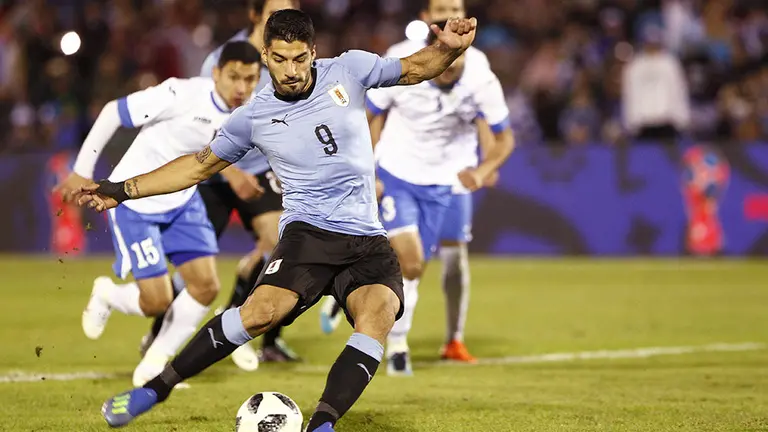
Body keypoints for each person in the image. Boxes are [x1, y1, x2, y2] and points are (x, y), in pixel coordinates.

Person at [74, 10, 478, 431]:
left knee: (378, 315)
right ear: (266, 56)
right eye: (281, 59)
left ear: (313, 53)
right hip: (308, 234)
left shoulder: (350, 70)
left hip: (366, 238)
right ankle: (155, 388)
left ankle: (321, 423)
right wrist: (121, 189)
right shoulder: (253, 117)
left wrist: (446, 49)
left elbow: (414, 68)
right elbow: (195, 167)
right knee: (260, 314)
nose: (291, 70)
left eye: (300, 58)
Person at [318, 0, 514, 376]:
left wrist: (486, 166)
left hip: (451, 178)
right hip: (399, 172)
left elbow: (500, 134)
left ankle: (451, 337)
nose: (449, 68)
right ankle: (397, 346)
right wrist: (367, 171)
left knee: (450, 259)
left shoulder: (481, 76)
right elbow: (369, 115)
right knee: (411, 261)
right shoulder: (403, 61)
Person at [53, 42, 262, 387]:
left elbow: (208, 150)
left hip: (183, 203)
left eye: (250, 79)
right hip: (134, 203)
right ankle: (108, 293)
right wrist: (81, 169)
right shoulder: (180, 94)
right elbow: (113, 112)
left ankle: (154, 365)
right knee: (156, 301)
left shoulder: (250, 111)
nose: (241, 87)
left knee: (206, 287)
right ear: (216, 73)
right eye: (234, 77)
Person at [141, 0, 303, 372]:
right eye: (272, 15)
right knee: (193, 265)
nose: (280, 22)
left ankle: (250, 331)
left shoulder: (291, 61)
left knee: (281, 242)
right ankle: (159, 333)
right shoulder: (222, 58)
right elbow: (203, 124)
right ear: (254, 16)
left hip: (262, 167)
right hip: (214, 169)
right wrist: (230, 173)